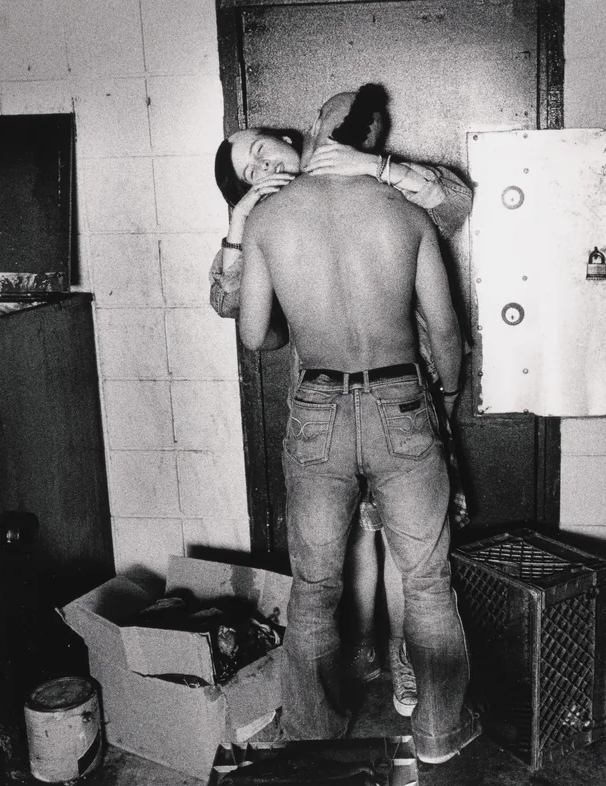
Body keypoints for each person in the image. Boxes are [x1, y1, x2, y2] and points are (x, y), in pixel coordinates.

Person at [207, 88, 472, 719]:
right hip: (405, 399)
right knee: (426, 576)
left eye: (263, 150)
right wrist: (450, 402)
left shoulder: (273, 221)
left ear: (297, 136)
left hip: (320, 406)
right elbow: (447, 330)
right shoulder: (402, 215)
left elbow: (251, 334)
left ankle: (319, 734)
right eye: (251, 170)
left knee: (316, 585)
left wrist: (257, 245)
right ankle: (437, 730)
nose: (266, 167)